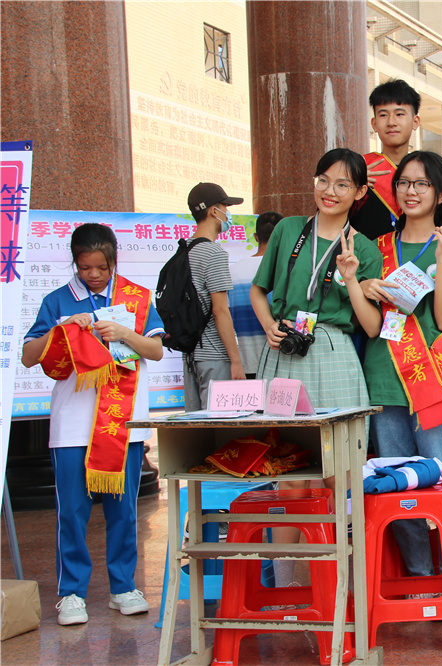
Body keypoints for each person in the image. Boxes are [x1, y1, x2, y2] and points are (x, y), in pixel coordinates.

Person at [250, 149, 382, 588]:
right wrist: (269, 325)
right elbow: (258, 291)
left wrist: (349, 277)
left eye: (343, 184)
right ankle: (288, 586)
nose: (330, 191)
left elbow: (372, 325)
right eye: (322, 180)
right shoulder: (289, 229)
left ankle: (333, 585)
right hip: (283, 352)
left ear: (360, 192)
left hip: (334, 351)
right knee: (285, 473)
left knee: (336, 476)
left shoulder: (363, 247)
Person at [22, 223, 165, 626]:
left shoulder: (136, 298)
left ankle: (123, 587)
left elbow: (154, 350)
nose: (94, 275)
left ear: (114, 259)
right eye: (85, 267)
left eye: (101, 267)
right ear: (75, 262)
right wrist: (62, 330)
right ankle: (71, 594)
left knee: (124, 512)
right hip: (71, 425)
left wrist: (123, 333)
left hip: (123, 425)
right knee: (72, 511)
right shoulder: (57, 300)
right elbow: (30, 356)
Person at [361, 151, 442, 578]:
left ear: (441, 193)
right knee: (396, 487)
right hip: (385, 381)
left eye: (422, 183)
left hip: (437, 384)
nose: (411, 190)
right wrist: (365, 284)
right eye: (404, 182)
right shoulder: (376, 249)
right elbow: (367, 320)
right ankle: (422, 577)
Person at [183, 182, 245, 410]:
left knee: (199, 430)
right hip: (215, 354)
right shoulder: (213, 252)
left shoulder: (183, 249)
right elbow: (220, 311)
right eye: (225, 207)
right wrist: (236, 361)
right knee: (220, 426)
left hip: (191, 354)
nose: (228, 213)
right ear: (213, 211)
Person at [355, 79, 422, 241]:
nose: (391, 122)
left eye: (399, 114)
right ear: (374, 124)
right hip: (365, 260)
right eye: (383, 115)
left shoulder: (428, 170)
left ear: (415, 122)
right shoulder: (357, 167)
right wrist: (353, 187)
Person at [230, 211, 282, 378]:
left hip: (246, 363)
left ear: (255, 237)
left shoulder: (233, 271)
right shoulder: (286, 270)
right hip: (281, 361)